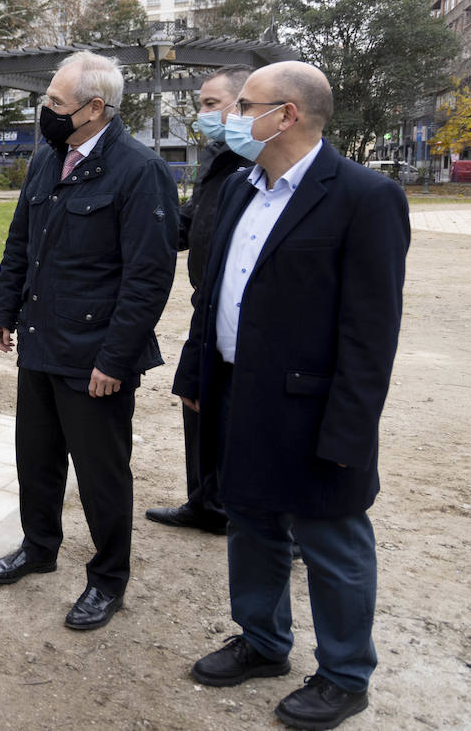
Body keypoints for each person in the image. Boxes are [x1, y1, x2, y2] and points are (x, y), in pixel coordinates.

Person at [174, 62, 409, 730]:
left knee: (332, 542)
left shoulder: (365, 197)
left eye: (244, 104)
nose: (230, 116)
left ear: (288, 115)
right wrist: (197, 374)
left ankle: (343, 675)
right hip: (236, 394)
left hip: (312, 409)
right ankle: (263, 640)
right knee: (249, 525)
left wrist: (349, 430)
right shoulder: (246, 188)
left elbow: (371, 333)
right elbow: (214, 293)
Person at [0, 51, 177, 630]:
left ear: (96, 108)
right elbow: (21, 241)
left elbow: (148, 277)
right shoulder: (48, 159)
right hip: (42, 343)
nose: (46, 111)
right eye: (47, 99)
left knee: (101, 474)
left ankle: (108, 578)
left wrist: (115, 359)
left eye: (56, 104)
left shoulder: (139, 170)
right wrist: (4, 308)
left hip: (95, 357)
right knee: (35, 461)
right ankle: (38, 548)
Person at [144, 64, 252, 535]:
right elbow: (189, 221)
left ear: (244, 107)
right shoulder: (215, 158)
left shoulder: (263, 165)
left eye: (211, 105)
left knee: (248, 421)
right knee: (197, 402)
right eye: (201, 104)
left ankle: (265, 523)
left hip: (252, 320)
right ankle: (205, 503)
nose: (202, 115)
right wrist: (140, 233)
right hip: (205, 308)